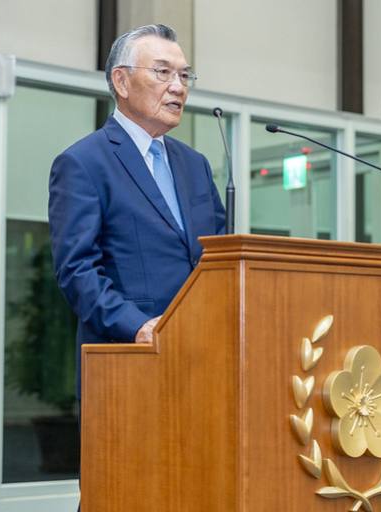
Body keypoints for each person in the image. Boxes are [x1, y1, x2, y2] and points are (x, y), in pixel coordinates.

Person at [48, 24, 226, 365]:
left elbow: (219, 257)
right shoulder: (84, 163)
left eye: (185, 76)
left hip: (206, 355)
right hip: (128, 360)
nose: (178, 87)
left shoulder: (195, 165)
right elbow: (77, 270)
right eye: (163, 72)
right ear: (122, 81)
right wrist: (138, 327)